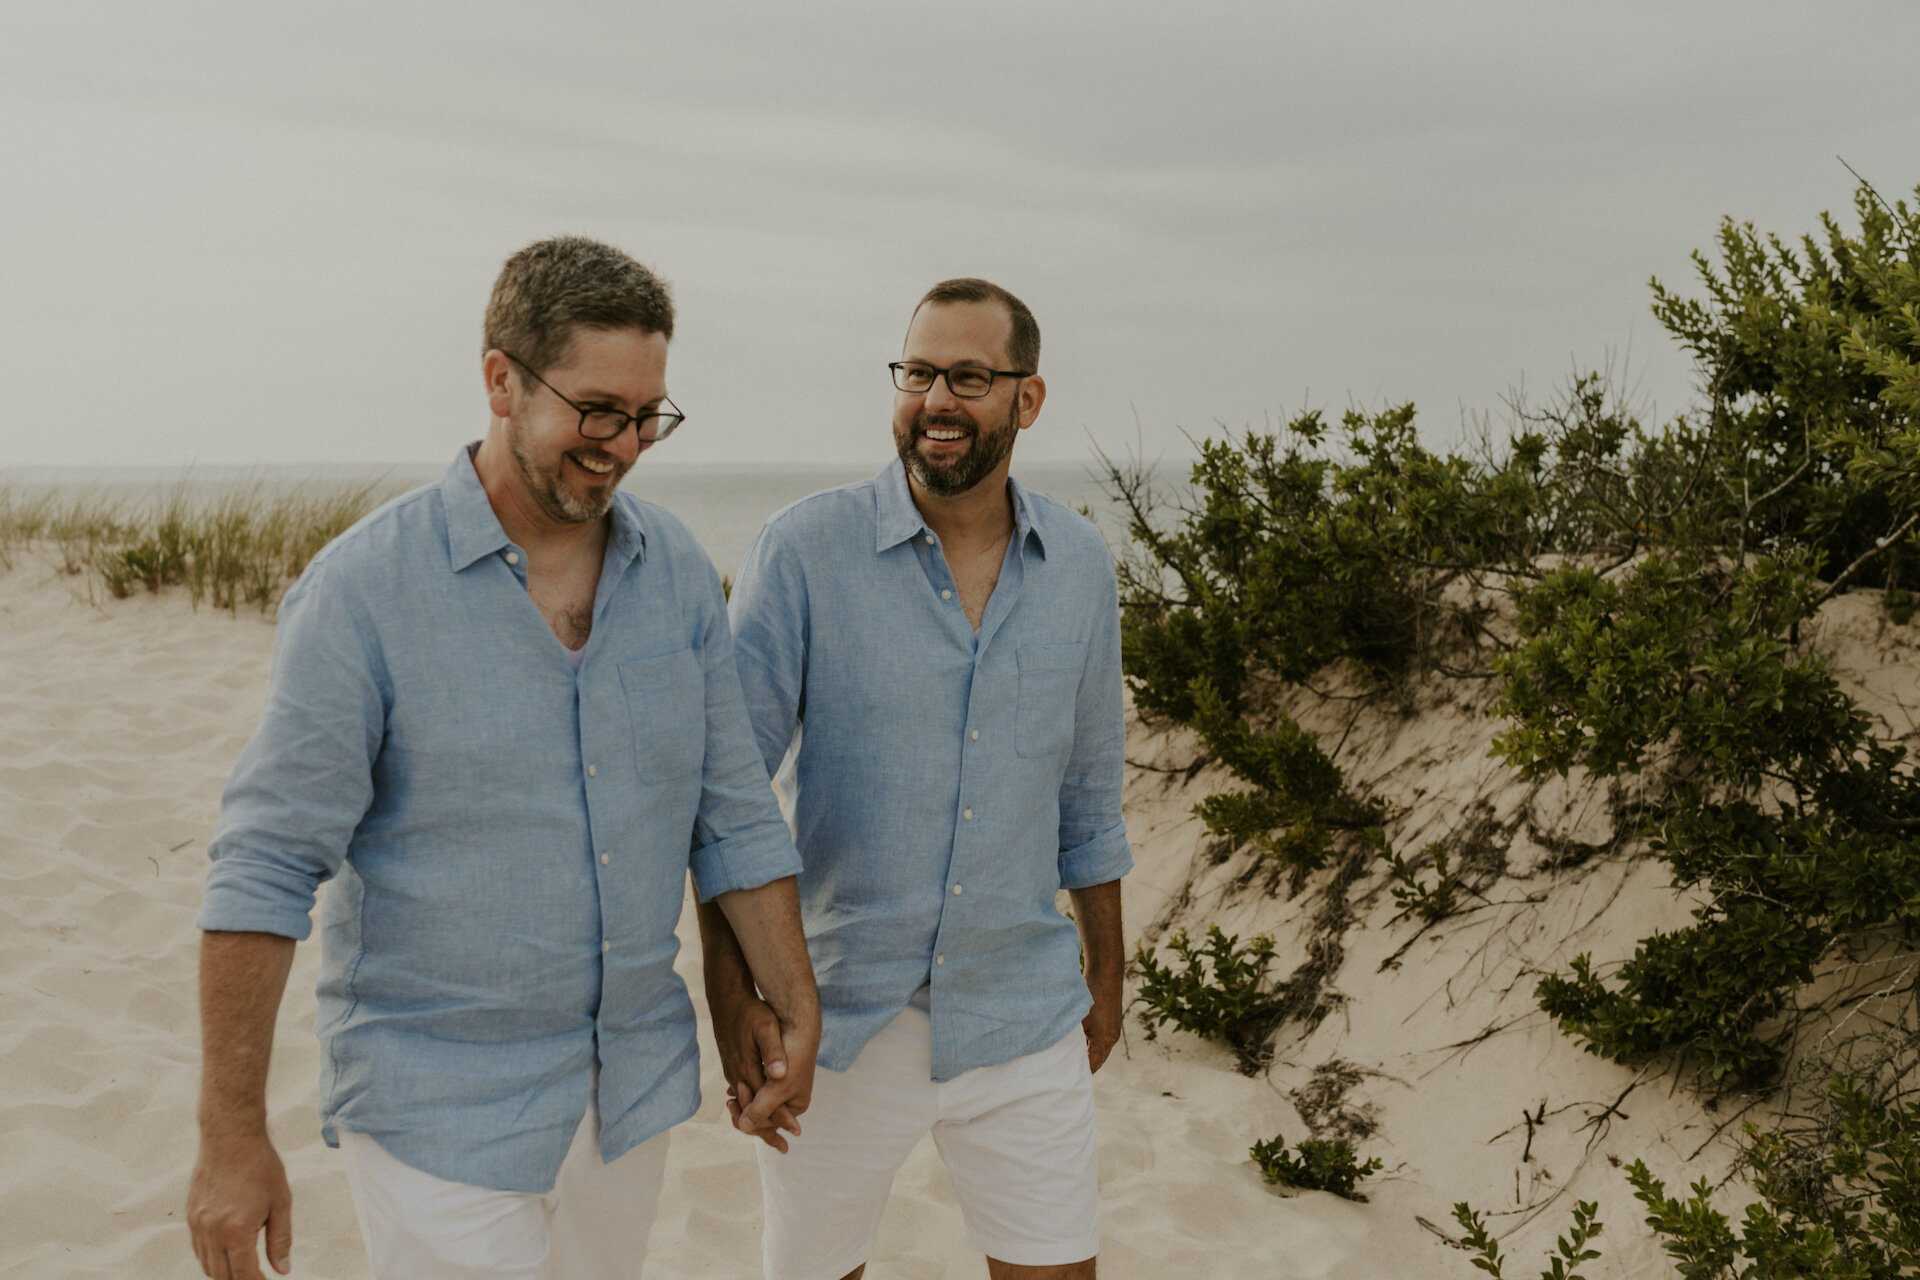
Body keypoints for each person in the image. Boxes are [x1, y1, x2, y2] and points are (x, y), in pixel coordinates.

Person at [185, 236, 820, 1280]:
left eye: (647, 414)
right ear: (499, 379)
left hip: (630, 1093)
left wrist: (790, 997)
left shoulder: (676, 583)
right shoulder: (361, 595)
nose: (623, 442)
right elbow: (261, 866)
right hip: (437, 1100)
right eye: (596, 408)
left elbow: (734, 813)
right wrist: (230, 1133)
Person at [701, 278, 1131, 1280]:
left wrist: (1106, 979)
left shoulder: (1077, 564)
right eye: (919, 371)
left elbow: (1088, 802)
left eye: (969, 376)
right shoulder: (801, 551)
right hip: (838, 1017)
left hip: (1022, 1014)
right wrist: (736, 1003)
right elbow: (720, 803)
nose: (937, 399)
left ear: (1027, 399)